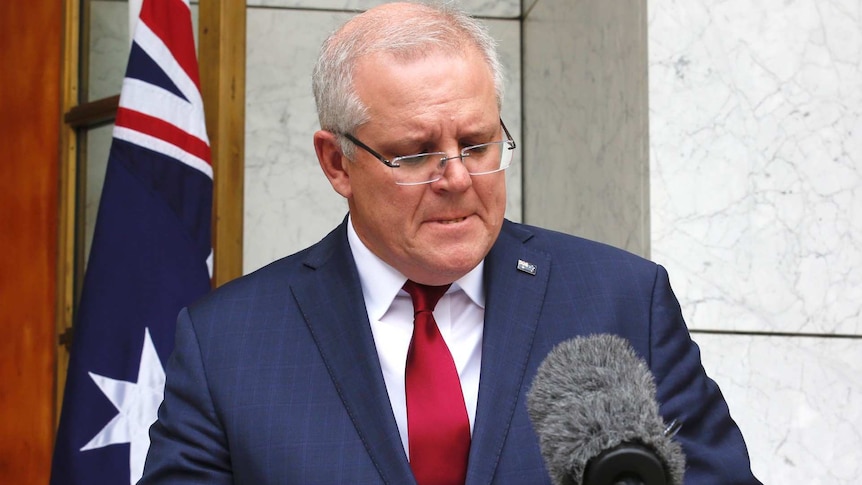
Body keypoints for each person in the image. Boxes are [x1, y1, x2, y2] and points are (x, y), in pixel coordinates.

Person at [140, 2, 761, 484]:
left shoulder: (622, 301)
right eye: (415, 154)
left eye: (477, 144)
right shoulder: (230, 342)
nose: (458, 178)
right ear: (337, 163)